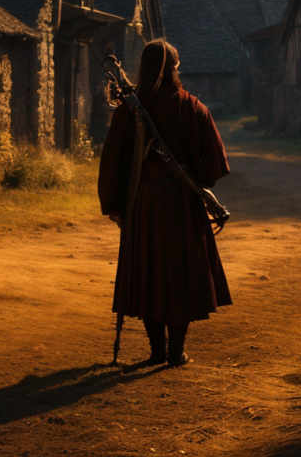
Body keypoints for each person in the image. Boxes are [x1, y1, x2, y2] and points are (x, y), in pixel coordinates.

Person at [97, 39, 231, 366]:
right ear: (173, 68)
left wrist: (114, 205)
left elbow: (112, 161)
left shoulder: (131, 110)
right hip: (183, 206)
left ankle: (157, 351)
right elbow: (212, 166)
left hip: (141, 205)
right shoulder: (192, 107)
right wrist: (197, 182)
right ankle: (175, 351)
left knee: (149, 275)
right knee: (179, 275)